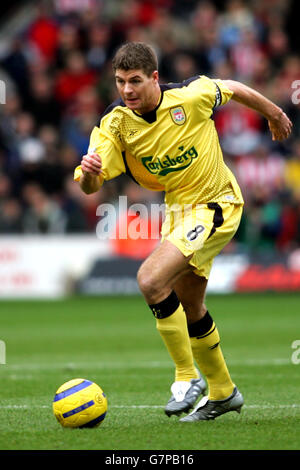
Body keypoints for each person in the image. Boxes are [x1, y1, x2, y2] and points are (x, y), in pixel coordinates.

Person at [74, 42, 292, 422]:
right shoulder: (114, 124)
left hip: (216, 204)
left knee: (149, 279)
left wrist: (274, 113)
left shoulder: (190, 97)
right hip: (177, 213)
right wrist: (91, 174)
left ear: (155, 78)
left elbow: (235, 88)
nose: (127, 90)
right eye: (120, 82)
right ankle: (224, 393)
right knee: (190, 307)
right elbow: (90, 189)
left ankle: (186, 377)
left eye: (136, 81)